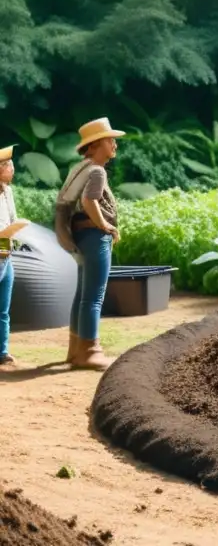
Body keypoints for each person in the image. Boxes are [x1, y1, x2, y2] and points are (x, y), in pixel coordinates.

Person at [57, 118, 125, 371]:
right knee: (94, 296)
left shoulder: (80, 168)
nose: (114, 144)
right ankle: (89, 351)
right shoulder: (97, 171)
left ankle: (75, 350)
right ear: (96, 144)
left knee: (83, 295)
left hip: (80, 235)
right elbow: (89, 201)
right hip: (94, 236)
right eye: (110, 140)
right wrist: (105, 226)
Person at [0, 144, 23, 372]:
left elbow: (12, 218)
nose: (12, 170)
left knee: (3, 309)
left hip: (7, 253)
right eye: (8, 165)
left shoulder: (8, 191)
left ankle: (2, 351)